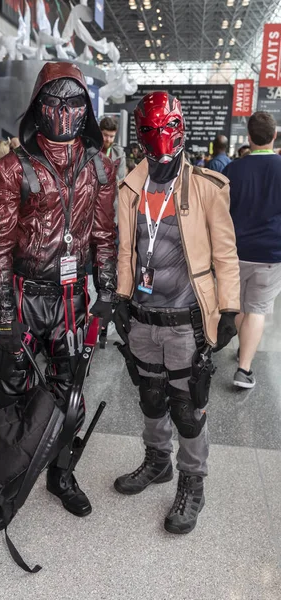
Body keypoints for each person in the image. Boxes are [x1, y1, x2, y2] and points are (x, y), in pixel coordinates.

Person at [0, 62, 116, 532]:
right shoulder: (11, 167)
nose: (64, 112)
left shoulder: (100, 166)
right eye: (54, 102)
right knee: (12, 391)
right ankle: (5, 480)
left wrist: (108, 291)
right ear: (38, 107)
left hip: (72, 298)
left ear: (87, 108)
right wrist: (2, 317)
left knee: (71, 390)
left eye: (74, 101)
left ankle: (61, 474)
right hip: (22, 293)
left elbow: (103, 233)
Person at [113, 91, 240, 534]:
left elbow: (226, 255)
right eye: (149, 129)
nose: (159, 137)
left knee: (187, 407)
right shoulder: (131, 187)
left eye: (165, 127)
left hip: (186, 319)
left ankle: (192, 482)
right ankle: (157, 461)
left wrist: (230, 310)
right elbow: (125, 251)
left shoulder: (206, 186)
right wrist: (119, 299)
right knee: (149, 397)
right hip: (143, 316)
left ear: (180, 127)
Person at [223, 112, 281, 388]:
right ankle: (244, 369)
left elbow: (220, 212)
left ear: (249, 137)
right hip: (271, 253)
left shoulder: (233, 170)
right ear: (273, 136)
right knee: (256, 309)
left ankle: (244, 344)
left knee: (238, 306)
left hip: (235, 251)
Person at [99, 116, 126, 181]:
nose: (108, 139)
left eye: (111, 136)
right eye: (105, 135)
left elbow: (120, 180)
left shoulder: (119, 154)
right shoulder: (90, 150)